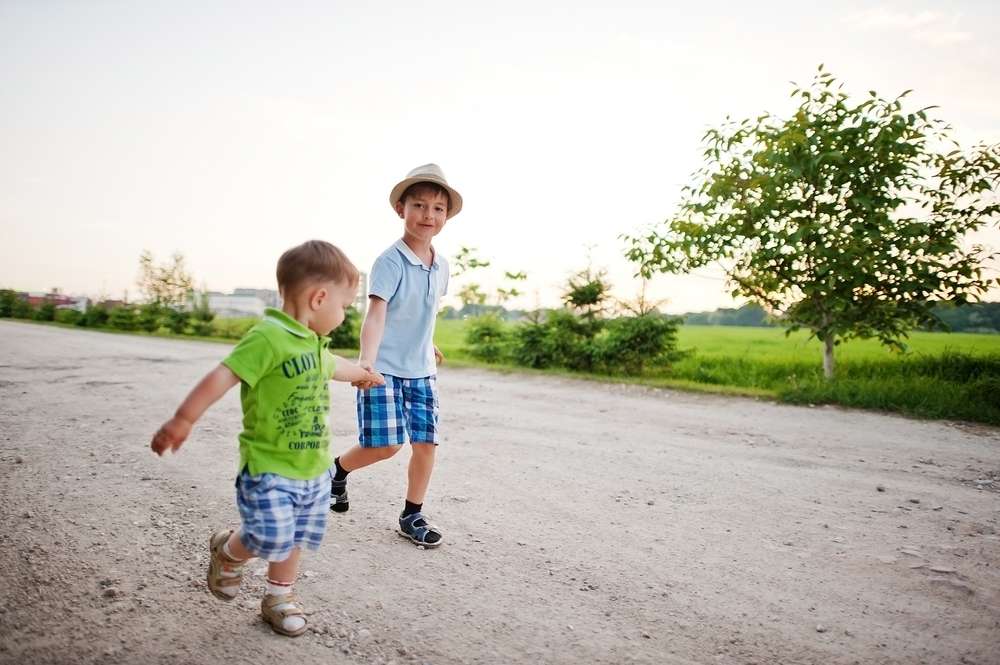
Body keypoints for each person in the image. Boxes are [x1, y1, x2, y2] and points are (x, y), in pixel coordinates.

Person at [150, 240, 383, 637]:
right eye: (344, 306)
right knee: (269, 534)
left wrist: (362, 374)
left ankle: (279, 597)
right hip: (268, 466)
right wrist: (183, 419)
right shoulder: (268, 337)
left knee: (294, 537)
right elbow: (223, 375)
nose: (344, 315)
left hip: (312, 467)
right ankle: (228, 551)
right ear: (319, 298)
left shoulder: (311, 341)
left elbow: (332, 366)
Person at [329, 163, 462, 550]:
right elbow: (376, 315)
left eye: (438, 208)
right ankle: (336, 471)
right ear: (401, 209)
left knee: (425, 443)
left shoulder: (442, 266)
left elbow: (423, 311)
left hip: (422, 371)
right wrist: (366, 362)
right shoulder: (389, 261)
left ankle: (412, 514)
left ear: (446, 216)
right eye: (419, 205)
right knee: (385, 446)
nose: (428, 215)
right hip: (383, 368)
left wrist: (427, 342)